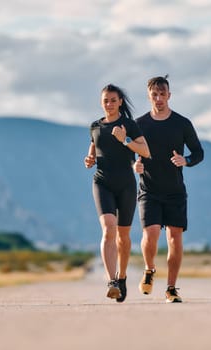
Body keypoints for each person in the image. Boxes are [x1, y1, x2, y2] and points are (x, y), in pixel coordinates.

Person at [134, 75, 204, 303]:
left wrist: (186, 161)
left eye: (163, 94)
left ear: (169, 96)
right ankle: (149, 269)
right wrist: (134, 164)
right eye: (154, 94)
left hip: (174, 191)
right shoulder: (140, 124)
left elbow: (198, 153)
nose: (159, 98)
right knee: (151, 233)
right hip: (149, 189)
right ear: (149, 96)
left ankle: (171, 289)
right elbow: (127, 153)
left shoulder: (182, 124)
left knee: (175, 239)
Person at [84, 84, 150, 302]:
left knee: (123, 236)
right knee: (108, 228)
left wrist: (126, 140)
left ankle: (122, 277)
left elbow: (145, 151)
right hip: (102, 182)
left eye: (113, 100)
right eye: (105, 100)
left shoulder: (130, 125)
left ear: (120, 101)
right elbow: (93, 149)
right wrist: (89, 159)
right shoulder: (95, 126)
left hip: (126, 185)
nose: (109, 104)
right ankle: (112, 280)